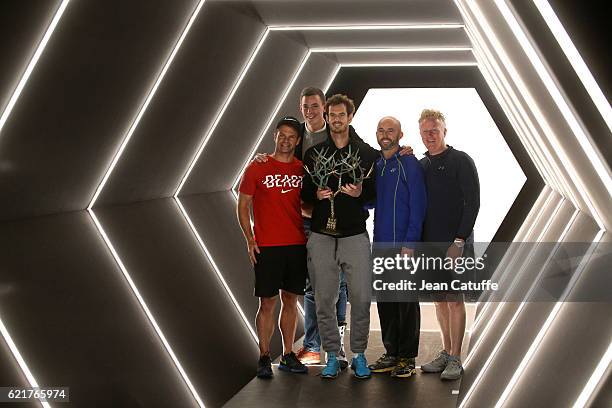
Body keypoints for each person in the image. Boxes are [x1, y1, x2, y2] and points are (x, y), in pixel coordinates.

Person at [301, 94, 379, 379]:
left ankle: (358, 354)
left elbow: (374, 196)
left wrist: (362, 194)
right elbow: (304, 197)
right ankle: (332, 355)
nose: (336, 119)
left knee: (360, 298)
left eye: (341, 115)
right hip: (321, 236)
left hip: (355, 236)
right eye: (332, 115)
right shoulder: (313, 155)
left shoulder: (367, 154)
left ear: (350, 116)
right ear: (327, 117)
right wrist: (316, 195)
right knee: (324, 300)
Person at [237, 116, 309, 379]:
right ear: (275, 136)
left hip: (296, 244)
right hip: (267, 246)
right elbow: (243, 205)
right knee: (267, 303)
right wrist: (250, 239)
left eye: (292, 136)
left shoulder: (302, 170)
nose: (286, 140)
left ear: (297, 141)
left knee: (290, 301)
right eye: (282, 135)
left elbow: (306, 207)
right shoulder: (257, 167)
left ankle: (288, 354)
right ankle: (265, 355)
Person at [417, 109, 480, 381]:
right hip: (429, 245)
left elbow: (472, 203)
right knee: (439, 300)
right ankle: (445, 352)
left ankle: (456, 357)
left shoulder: (461, 161)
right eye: (425, 132)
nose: (429, 136)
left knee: (455, 301)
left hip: (455, 244)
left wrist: (459, 241)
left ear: (444, 131)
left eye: (434, 130)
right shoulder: (422, 165)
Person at [367, 117, 427, 378]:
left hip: (404, 248)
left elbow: (419, 205)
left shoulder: (409, 163)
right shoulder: (377, 165)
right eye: (381, 129)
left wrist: (410, 244)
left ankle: (407, 357)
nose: (385, 134)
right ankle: (391, 353)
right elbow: (370, 202)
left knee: (405, 304)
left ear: (400, 134)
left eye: (390, 130)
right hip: (380, 246)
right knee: (386, 303)